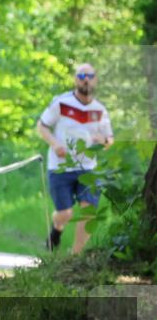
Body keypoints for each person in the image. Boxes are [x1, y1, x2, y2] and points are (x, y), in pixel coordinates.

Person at [37, 63, 114, 253]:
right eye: (81, 76)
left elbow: (109, 139)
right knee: (65, 213)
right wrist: (55, 145)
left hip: (88, 167)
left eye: (89, 75)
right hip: (61, 166)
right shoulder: (61, 103)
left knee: (89, 211)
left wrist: (102, 140)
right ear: (75, 79)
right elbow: (42, 126)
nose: (85, 79)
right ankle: (57, 229)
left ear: (95, 79)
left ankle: (75, 256)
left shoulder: (100, 110)